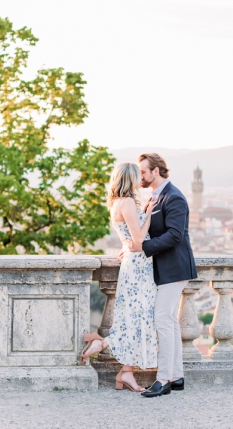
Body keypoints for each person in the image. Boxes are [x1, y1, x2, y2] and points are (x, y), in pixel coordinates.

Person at [123, 153, 198, 398]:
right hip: (166, 268)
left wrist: (143, 248)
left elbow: (175, 235)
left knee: (162, 322)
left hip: (174, 268)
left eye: (143, 172)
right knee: (169, 323)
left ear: (156, 171)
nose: (140, 177)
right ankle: (176, 376)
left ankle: (163, 378)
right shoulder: (156, 196)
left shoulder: (173, 197)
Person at [80, 163, 157, 392]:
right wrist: (149, 213)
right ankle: (102, 343)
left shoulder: (116, 203)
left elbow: (129, 240)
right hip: (140, 267)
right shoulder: (127, 203)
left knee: (131, 318)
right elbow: (139, 239)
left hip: (132, 264)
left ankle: (125, 373)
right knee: (138, 318)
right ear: (130, 179)